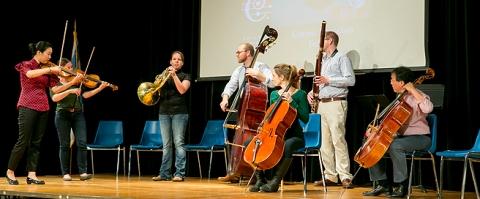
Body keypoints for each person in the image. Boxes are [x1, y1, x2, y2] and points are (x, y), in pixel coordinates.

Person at [362, 66, 433, 197]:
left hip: (421, 138)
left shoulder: (419, 96)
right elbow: (393, 124)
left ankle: (402, 185)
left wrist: (412, 89)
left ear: (401, 83)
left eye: (392, 79)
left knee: (396, 146)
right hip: (403, 138)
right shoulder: (399, 99)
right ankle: (382, 184)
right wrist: (376, 132)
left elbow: (428, 108)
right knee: (371, 141)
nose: (390, 82)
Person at [6, 41, 63, 185]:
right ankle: (10, 172)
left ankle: (32, 174)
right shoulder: (26, 65)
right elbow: (30, 74)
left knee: (36, 143)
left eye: (51, 54)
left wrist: (72, 80)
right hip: (27, 105)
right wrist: (50, 70)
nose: (50, 57)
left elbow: (55, 89)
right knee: (23, 141)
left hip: (43, 107)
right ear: (38, 52)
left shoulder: (47, 69)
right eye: (48, 54)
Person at [218, 43, 273, 183]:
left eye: (239, 52)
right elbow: (231, 85)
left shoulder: (261, 66)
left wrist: (258, 75)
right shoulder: (239, 70)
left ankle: (253, 171)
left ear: (248, 52)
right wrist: (225, 98)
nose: (236, 54)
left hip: (257, 110)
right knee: (238, 136)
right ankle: (234, 170)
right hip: (243, 108)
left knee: (252, 138)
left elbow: (272, 82)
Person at [248, 64, 309, 192]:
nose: (272, 78)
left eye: (274, 76)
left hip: (294, 136)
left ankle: (275, 182)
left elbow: (305, 117)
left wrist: (292, 101)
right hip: (273, 133)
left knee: (287, 145)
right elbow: (270, 116)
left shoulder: (300, 94)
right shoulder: (274, 94)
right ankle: (261, 180)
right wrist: (263, 126)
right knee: (250, 143)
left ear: (281, 77)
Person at [307, 31, 356, 188]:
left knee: (338, 139)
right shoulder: (322, 61)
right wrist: (312, 92)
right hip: (322, 103)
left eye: (323, 40)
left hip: (336, 102)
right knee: (324, 143)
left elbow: (351, 80)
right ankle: (330, 176)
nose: (320, 44)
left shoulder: (341, 57)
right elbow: (319, 83)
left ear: (330, 40)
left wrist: (329, 80)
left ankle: (345, 176)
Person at [51, 58, 109, 181]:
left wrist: (99, 88)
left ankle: (83, 172)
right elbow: (55, 98)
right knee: (65, 145)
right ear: (61, 69)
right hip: (62, 115)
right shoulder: (55, 83)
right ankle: (65, 173)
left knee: (82, 143)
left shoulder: (76, 81)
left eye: (71, 67)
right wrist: (71, 90)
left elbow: (85, 95)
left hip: (78, 114)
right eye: (68, 67)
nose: (72, 70)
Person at [152, 51, 191, 182]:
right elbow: (154, 93)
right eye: (174, 59)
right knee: (166, 144)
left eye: (179, 59)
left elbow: (182, 90)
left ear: (182, 63)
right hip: (164, 112)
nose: (176, 61)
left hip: (179, 112)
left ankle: (179, 173)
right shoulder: (163, 76)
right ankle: (164, 174)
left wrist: (174, 75)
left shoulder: (186, 76)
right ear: (170, 62)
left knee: (178, 143)